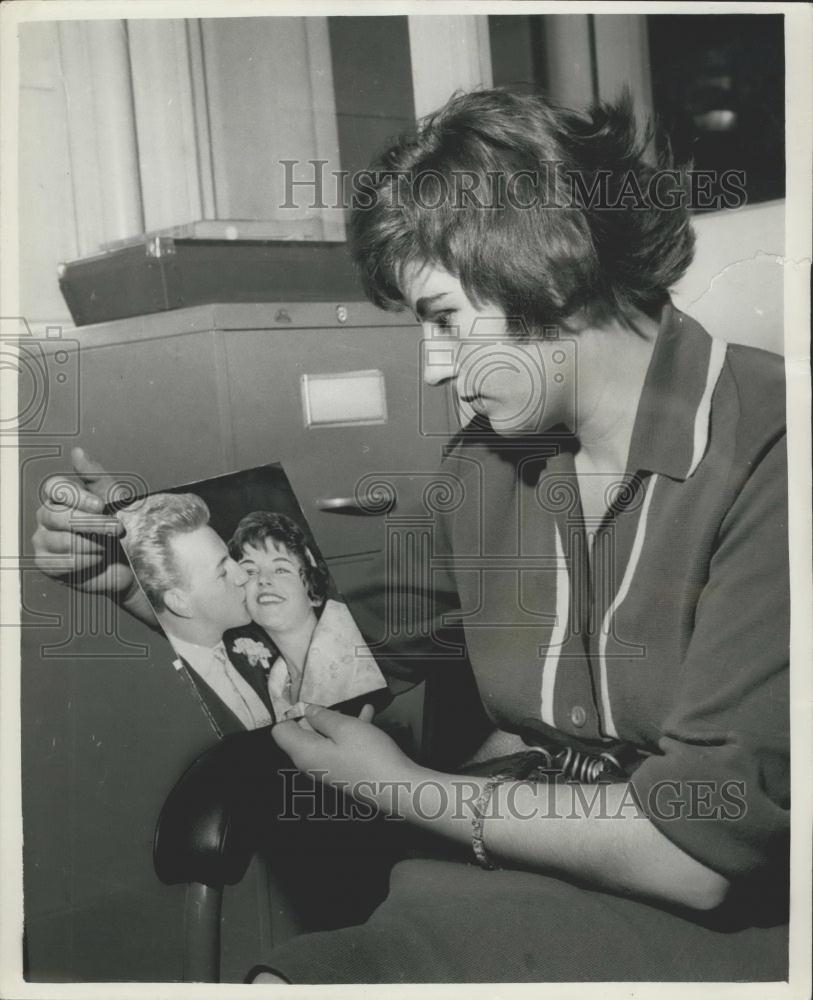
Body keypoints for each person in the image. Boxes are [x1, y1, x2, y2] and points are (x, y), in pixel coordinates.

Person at [32, 88, 789, 983]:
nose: (433, 368)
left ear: (538, 270)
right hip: (510, 891)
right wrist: (154, 584)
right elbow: (338, 661)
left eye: (441, 317)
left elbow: (698, 852)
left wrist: (402, 787)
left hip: (733, 938)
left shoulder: (775, 449)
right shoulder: (486, 465)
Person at [116, 492, 277, 734]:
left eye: (231, 559)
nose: (243, 576)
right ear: (179, 603)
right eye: (222, 572)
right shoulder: (158, 693)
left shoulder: (264, 643)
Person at [227, 511, 387, 720]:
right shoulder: (275, 687)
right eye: (250, 571)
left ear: (313, 591)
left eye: (281, 569)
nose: (263, 579)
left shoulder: (363, 657)